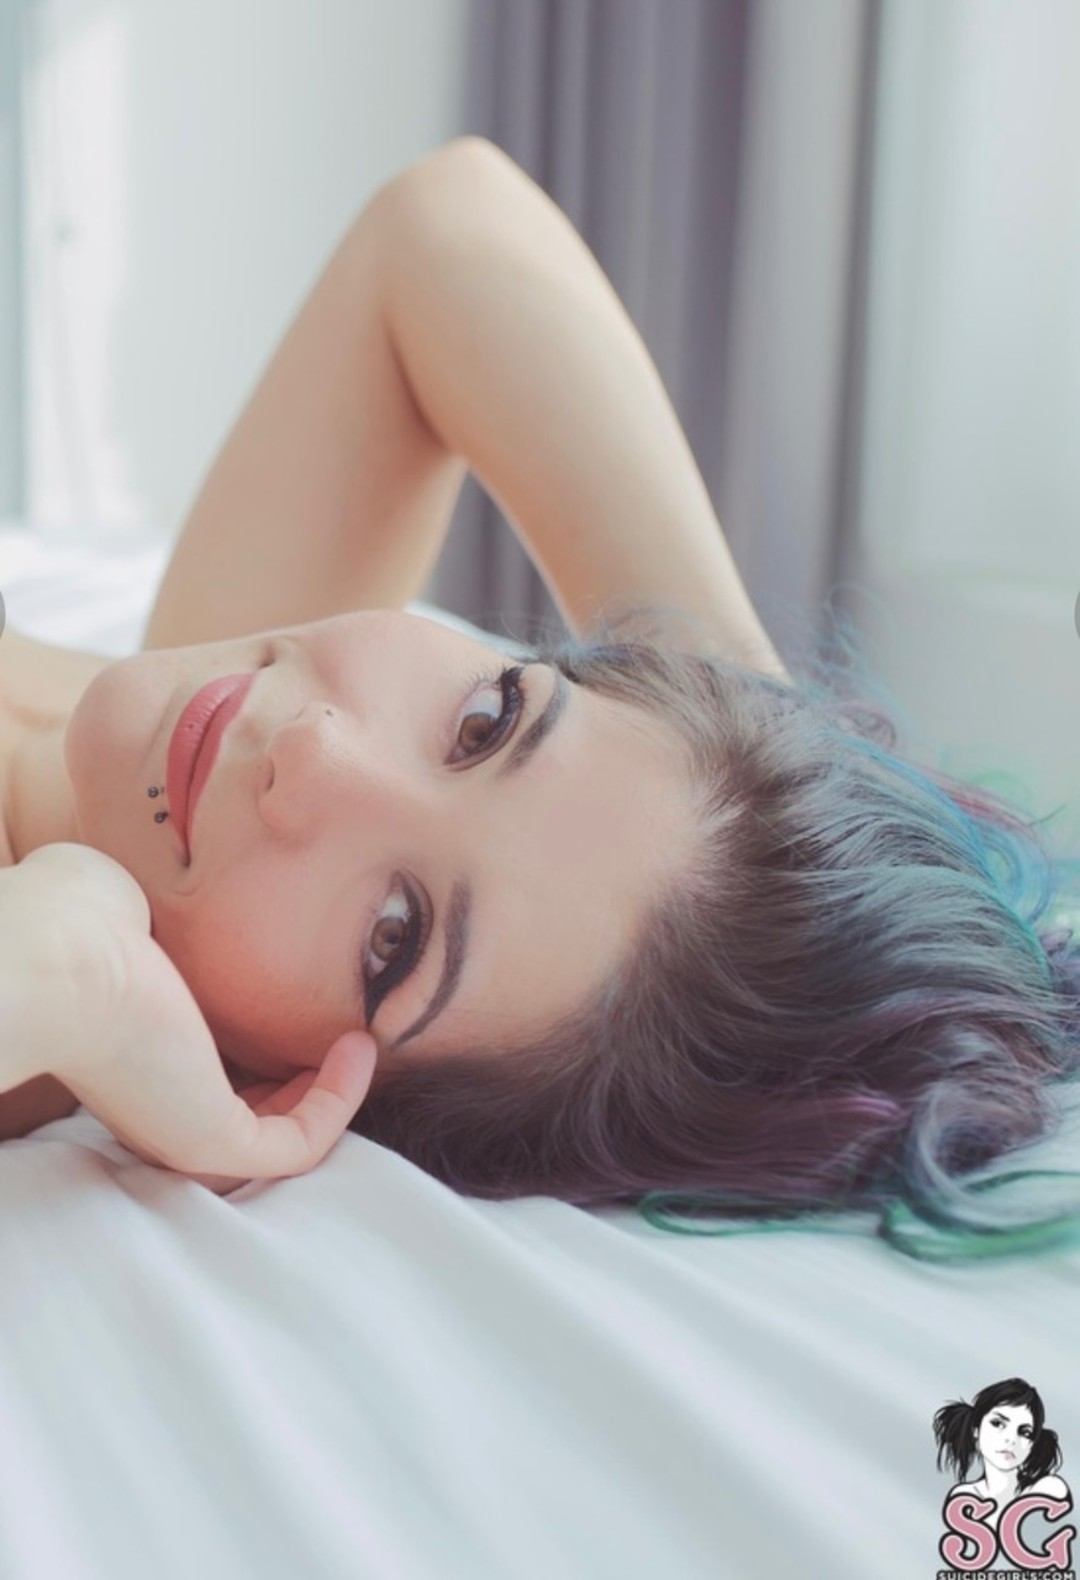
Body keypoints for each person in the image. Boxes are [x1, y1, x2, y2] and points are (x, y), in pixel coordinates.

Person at [1, 138, 1079, 1252]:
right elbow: (443, 230)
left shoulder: (58, 950)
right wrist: (736, 699)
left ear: (296, 1089)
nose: (316, 754)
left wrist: (65, 973)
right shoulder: (176, 743)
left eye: (392, 937)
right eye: (486, 722)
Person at [934, 1378, 1069, 1530]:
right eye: (998, 1423)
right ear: (976, 1430)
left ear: (1033, 1444)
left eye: (1025, 1433)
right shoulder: (964, 1497)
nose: (1011, 1440)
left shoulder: (1049, 1489)